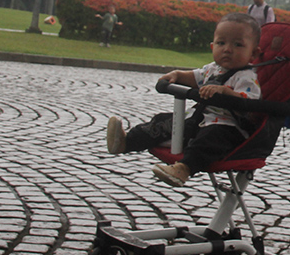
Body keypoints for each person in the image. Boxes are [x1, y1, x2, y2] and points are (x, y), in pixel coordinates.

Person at [104, 13, 262, 186]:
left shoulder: (247, 77)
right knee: (163, 122)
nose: (227, 49)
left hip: (226, 126)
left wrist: (225, 92)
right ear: (212, 46)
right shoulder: (213, 69)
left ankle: (184, 168)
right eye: (221, 43)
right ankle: (126, 141)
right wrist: (177, 75)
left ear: (253, 53)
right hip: (197, 120)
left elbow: (249, 103)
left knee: (209, 140)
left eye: (238, 45)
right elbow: (194, 77)